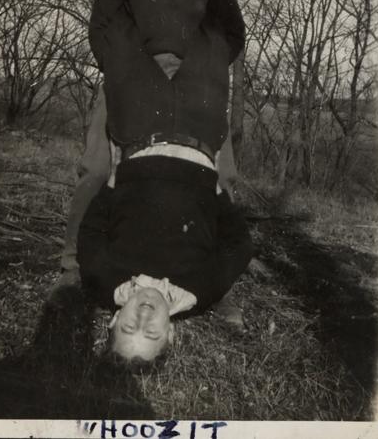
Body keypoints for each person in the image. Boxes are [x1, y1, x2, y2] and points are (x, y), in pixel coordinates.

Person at [52, 0, 244, 294]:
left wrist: (195, 69)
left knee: (223, 174)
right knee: (97, 169)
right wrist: (137, 68)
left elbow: (230, 33)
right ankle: (71, 267)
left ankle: (215, 280)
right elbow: (103, 28)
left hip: (196, 86)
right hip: (128, 76)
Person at [77, 152, 254, 363]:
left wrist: (112, 182)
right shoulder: (200, 292)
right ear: (170, 332)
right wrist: (218, 192)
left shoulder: (103, 280)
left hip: (137, 158)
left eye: (129, 327)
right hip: (200, 166)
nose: (143, 317)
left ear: (115, 320)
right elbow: (240, 245)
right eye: (151, 332)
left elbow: (90, 231)